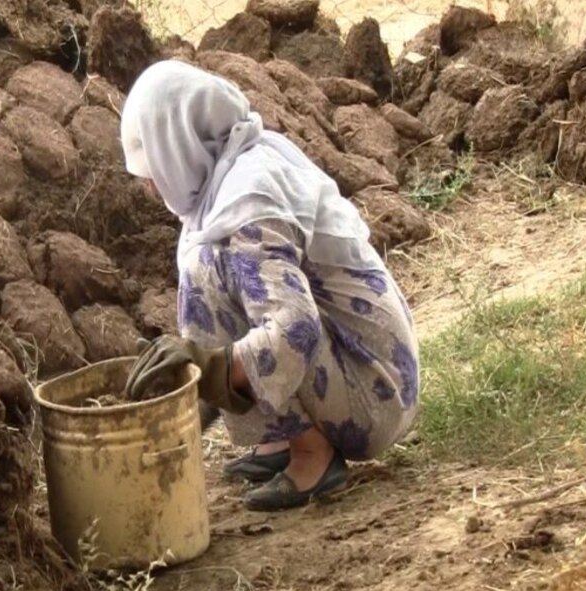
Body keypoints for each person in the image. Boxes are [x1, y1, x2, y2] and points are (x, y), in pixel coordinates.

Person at [120, 60, 420, 512]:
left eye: (152, 166)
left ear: (180, 146)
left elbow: (295, 327)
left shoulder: (249, 200)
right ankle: (280, 437)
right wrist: (188, 396)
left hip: (372, 393)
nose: (147, 183)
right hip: (359, 367)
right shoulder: (233, 166)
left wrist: (206, 368)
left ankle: (312, 454)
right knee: (208, 262)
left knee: (211, 268)